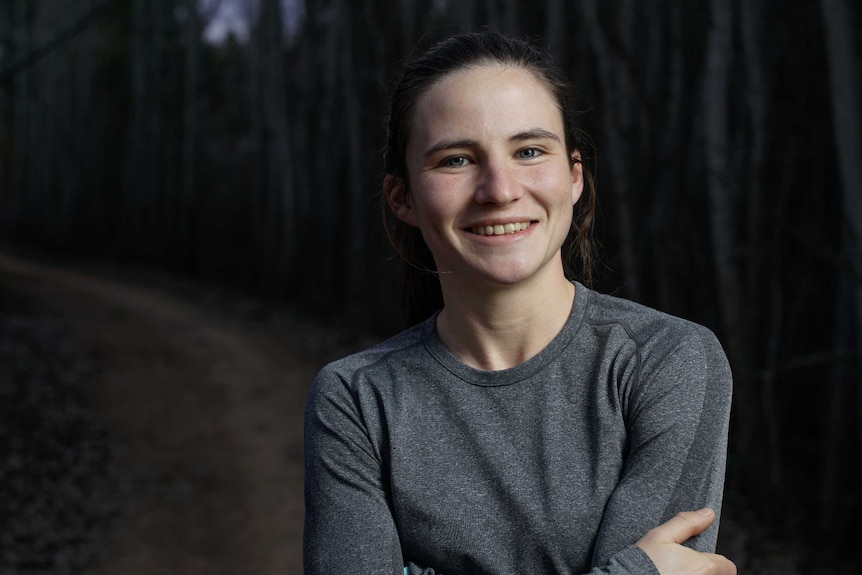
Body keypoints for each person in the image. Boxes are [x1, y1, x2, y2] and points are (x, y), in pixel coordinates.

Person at [303, 30, 735, 575]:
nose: (500, 189)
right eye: (457, 160)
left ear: (574, 177)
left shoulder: (668, 360)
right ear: (403, 197)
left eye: (529, 151)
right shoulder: (355, 400)